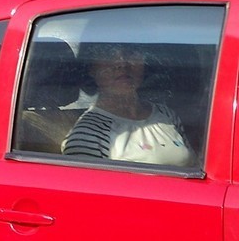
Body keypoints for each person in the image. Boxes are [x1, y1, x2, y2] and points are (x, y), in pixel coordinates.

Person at [61, 42, 194, 166]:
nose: (122, 63)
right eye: (108, 54)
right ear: (90, 67)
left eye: (131, 52)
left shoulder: (166, 114)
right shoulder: (85, 135)